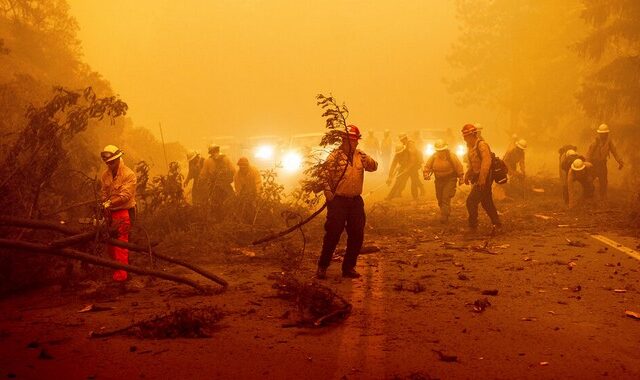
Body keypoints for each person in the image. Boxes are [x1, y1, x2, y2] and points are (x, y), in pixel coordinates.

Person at [316, 125, 378, 279]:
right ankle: (322, 266)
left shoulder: (360, 155)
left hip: (355, 200)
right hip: (338, 201)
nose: (353, 143)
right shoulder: (334, 157)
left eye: (355, 140)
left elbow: (374, 167)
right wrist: (328, 192)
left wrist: (369, 161)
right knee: (333, 234)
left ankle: (349, 267)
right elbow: (323, 175)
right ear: (343, 141)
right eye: (350, 140)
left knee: (357, 234)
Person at [99, 145, 137, 282]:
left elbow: (125, 196)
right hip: (110, 213)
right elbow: (103, 192)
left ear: (118, 159)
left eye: (112, 162)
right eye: (107, 163)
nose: (109, 165)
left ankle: (122, 277)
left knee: (121, 244)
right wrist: (104, 203)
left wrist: (109, 203)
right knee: (111, 246)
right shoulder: (105, 175)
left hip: (124, 212)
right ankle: (118, 271)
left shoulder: (129, 175)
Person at [462, 124, 501, 232]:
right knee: (486, 202)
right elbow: (472, 163)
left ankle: (473, 227)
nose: (464, 139)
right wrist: (467, 174)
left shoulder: (482, 145)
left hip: (485, 177)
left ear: (472, 135)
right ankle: (497, 224)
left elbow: (486, 163)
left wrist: (482, 179)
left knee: (471, 202)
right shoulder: (470, 147)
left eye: (466, 137)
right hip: (478, 176)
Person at [423, 139, 464, 223]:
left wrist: (461, 177)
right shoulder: (434, 157)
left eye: (442, 150)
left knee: (445, 197)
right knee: (440, 198)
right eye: (438, 151)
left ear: (445, 150)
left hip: (450, 180)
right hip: (439, 180)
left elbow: (459, 167)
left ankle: (444, 216)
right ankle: (445, 212)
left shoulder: (451, 156)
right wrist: (426, 174)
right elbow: (427, 167)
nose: (440, 152)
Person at [586, 124, 624, 200]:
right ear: (599, 134)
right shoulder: (595, 141)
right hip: (593, 164)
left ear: (607, 133)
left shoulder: (609, 141)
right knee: (589, 180)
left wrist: (619, 161)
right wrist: (587, 165)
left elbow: (614, 151)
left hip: (602, 164)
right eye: (602, 133)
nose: (604, 135)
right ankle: (587, 196)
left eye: (605, 133)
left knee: (603, 181)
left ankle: (603, 198)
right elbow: (589, 154)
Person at [200, 145, 236, 218]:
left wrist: (201, 186)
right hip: (226, 186)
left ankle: (217, 220)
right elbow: (233, 171)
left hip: (214, 187)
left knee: (215, 204)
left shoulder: (207, 161)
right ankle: (230, 217)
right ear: (218, 151)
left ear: (210, 152)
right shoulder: (226, 159)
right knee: (231, 201)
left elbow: (203, 175)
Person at [386, 134, 423, 201]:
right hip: (404, 167)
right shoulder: (397, 154)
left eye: (402, 140)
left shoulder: (410, 149)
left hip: (413, 167)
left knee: (414, 182)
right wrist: (390, 177)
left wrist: (407, 169)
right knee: (398, 182)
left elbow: (413, 161)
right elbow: (393, 165)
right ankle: (389, 197)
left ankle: (415, 197)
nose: (399, 154)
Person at [233, 157, 262, 223]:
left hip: (254, 192)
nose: (243, 167)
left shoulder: (254, 171)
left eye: (244, 166)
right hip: (244, 195)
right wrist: (240, 198)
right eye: (241, 166)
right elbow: (238, 188)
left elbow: (258, 183)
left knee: (257, 209)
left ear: (247, 165)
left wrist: (258, 195)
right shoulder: (237, 175)